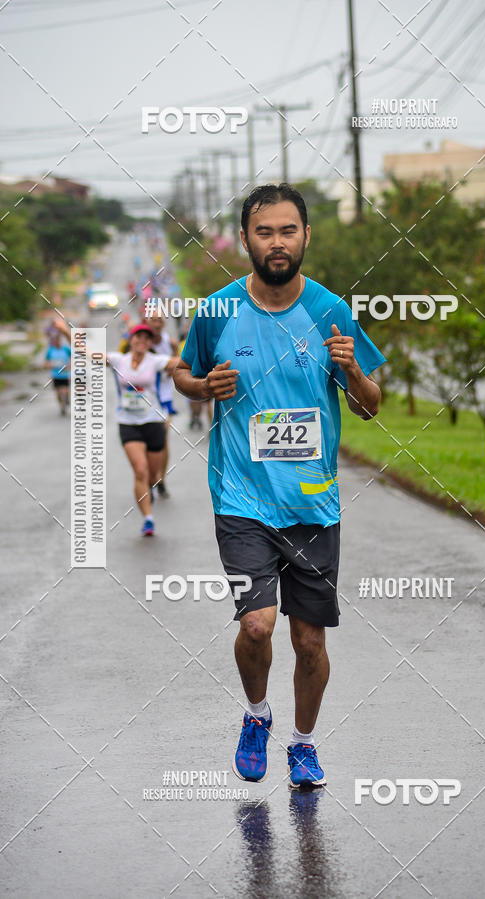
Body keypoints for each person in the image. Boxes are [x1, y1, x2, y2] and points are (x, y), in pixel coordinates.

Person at [173, 183, 385, 788]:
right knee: (257, 625)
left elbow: (371, 407)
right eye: (263, 232)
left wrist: (349, 370)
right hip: (240, 496)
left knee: (310, 641)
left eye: (287, 230)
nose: (276, 243)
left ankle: (303, 743)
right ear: (244, 239)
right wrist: (201, 388)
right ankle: (258, 715)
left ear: (306, 236)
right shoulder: (216, 311)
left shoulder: (330, 311)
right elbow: (185, 373)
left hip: (313, 504)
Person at [54, 319, 180, 536]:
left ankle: (151, 487)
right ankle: (148, 519)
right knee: (140, 470)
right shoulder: (117, 360)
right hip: (128, 423)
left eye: (146, 338)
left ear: (150, 342)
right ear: (131, 340)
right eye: (138, 336)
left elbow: (182, 362)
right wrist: (67, 332)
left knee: (152, 476)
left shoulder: (156, 360)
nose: (141, 340)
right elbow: (85, 352)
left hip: (154, 421)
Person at [143, 308, 179, 497]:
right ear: (147, 322)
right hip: (144, 397)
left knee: (162, 441)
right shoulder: (140, 341)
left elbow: (181, 365)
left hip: (164, 397)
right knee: (146, 443)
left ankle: (161, 480)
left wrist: (169, 370)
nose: (157, 324)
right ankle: (148, 478)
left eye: (160, 321)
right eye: (153, 320)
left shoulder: (170, 343)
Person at [44, 328, 71, 415]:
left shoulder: (66, 349)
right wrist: (50, 365)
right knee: (58, 392)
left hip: (66, 374)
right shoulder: (50, 351)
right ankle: (62, 407)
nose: (56, 342)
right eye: (54, 341)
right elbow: (45, 363)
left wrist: (69, 365)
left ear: (60, 340)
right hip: (56, 375)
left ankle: (66, 399)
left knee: (66, 390)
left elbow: (72, 358)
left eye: (58, 340)